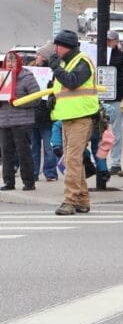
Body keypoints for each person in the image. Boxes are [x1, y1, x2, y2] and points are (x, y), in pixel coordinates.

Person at [48, 30, 101, 215]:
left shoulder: (82, 61)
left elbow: (72, 82)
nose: (56, 49)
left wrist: (56, 69)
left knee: (72, 161)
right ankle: (82, 200)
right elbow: (63, 88)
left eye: (58, 45)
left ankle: (70, 201)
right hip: (68, 117)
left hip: (82, 117)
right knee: (73, 161)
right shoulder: (66, 63)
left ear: (67, 46)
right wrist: (52, 97)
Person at [0, 49, 41, 191]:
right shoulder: (1, 77)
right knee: (6, 153)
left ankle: (29, 182)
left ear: (18, 62)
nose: (10, 63)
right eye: (8, 61)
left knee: (24, 153)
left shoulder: (27, 76)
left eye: (13, 60)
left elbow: (36, 99)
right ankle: (8, 182)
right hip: (4, 122)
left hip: (22, 122)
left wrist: (18, 102)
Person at [29, 48, 58, 183]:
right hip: (32, 115)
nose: (37, 57)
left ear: (45, 57)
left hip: (47, 116)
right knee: (33, 148)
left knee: (49, 148)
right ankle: (33, 173)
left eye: (39, 55)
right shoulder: (30, 70)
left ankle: (50, 173)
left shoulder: (53, 73)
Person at [105, 30, 123, 175]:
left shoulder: (122, 58)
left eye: (109, 40)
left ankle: (115, 163)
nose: (107, 42)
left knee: (115, 132)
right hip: (99, 98)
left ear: (115, 41)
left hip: (115, 98)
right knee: (100, 133)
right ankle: (101, 161)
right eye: (106, 40)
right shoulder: (97, 55)